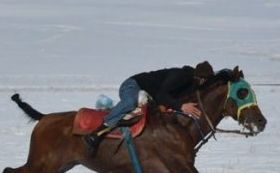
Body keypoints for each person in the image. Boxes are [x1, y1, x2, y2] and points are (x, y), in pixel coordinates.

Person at [84, 61, 214, 156]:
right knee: (130, 102)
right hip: (134, 85)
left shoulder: (193, 85)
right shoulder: (180, 75)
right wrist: (181, 106)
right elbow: (162, 94)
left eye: (206, 81)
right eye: (202, 80)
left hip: (150, 97)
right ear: (198, 77)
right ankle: (98, 132)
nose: (203, 83)